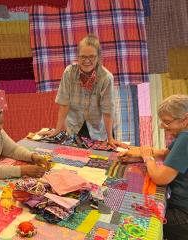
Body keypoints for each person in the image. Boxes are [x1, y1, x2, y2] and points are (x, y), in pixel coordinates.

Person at [118, 95, 188, 239]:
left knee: (135, 220)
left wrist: (147, 158)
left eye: (167, 122)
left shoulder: (186, 138)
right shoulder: (183, 136)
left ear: (185, 119)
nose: (163, 126)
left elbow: (160, 178)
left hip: (184, 216)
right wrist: (139, 154)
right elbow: (166, 154)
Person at [39, 34, 126, 148]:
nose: (87, 61)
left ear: (99, 57)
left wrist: (110, 138)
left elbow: (107, 110)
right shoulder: (69, 73)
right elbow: (64, 103)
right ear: (77, 56)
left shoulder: (106, 78)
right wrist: (57, 130)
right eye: (83, 57)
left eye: (91, 57)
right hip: (75, 127)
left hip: (98, 130)